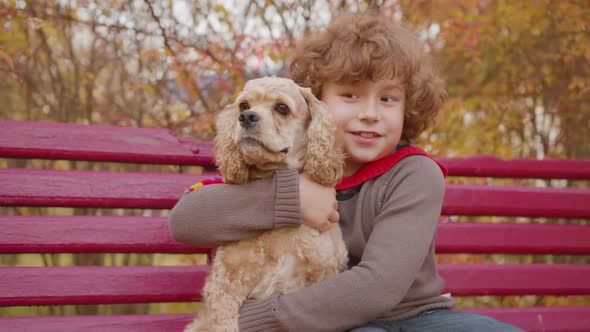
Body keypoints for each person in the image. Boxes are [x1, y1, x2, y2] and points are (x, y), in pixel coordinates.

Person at [169, 12, 523, 332]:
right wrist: (293, 197)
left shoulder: (415, 173)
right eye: (351, 95)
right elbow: (185, 222)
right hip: (339, 325)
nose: (370, 113)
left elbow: (379, 285)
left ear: (408, 107)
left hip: (423, 318)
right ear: (316, 106)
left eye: (387, 99)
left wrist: (256, 321)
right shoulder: (285, 162)